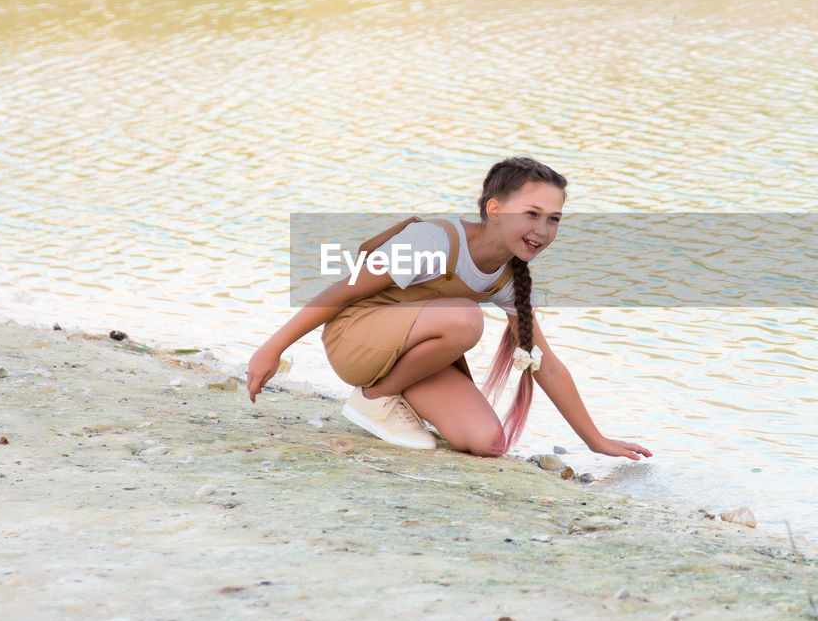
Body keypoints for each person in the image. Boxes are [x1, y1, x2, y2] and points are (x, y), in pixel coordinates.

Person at [246, 156, 651, 461]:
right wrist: (273, 348)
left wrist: (595, 441)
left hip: (415, 354)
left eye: (554, 219)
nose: (543, 231)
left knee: (488, 442)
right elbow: (343, 289)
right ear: (495, 210)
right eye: (532, 214)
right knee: (464, 317)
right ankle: (375, 397)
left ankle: (392, 395)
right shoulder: (432, 241)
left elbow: (543, 362)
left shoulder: (510, 277)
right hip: (357, 340)